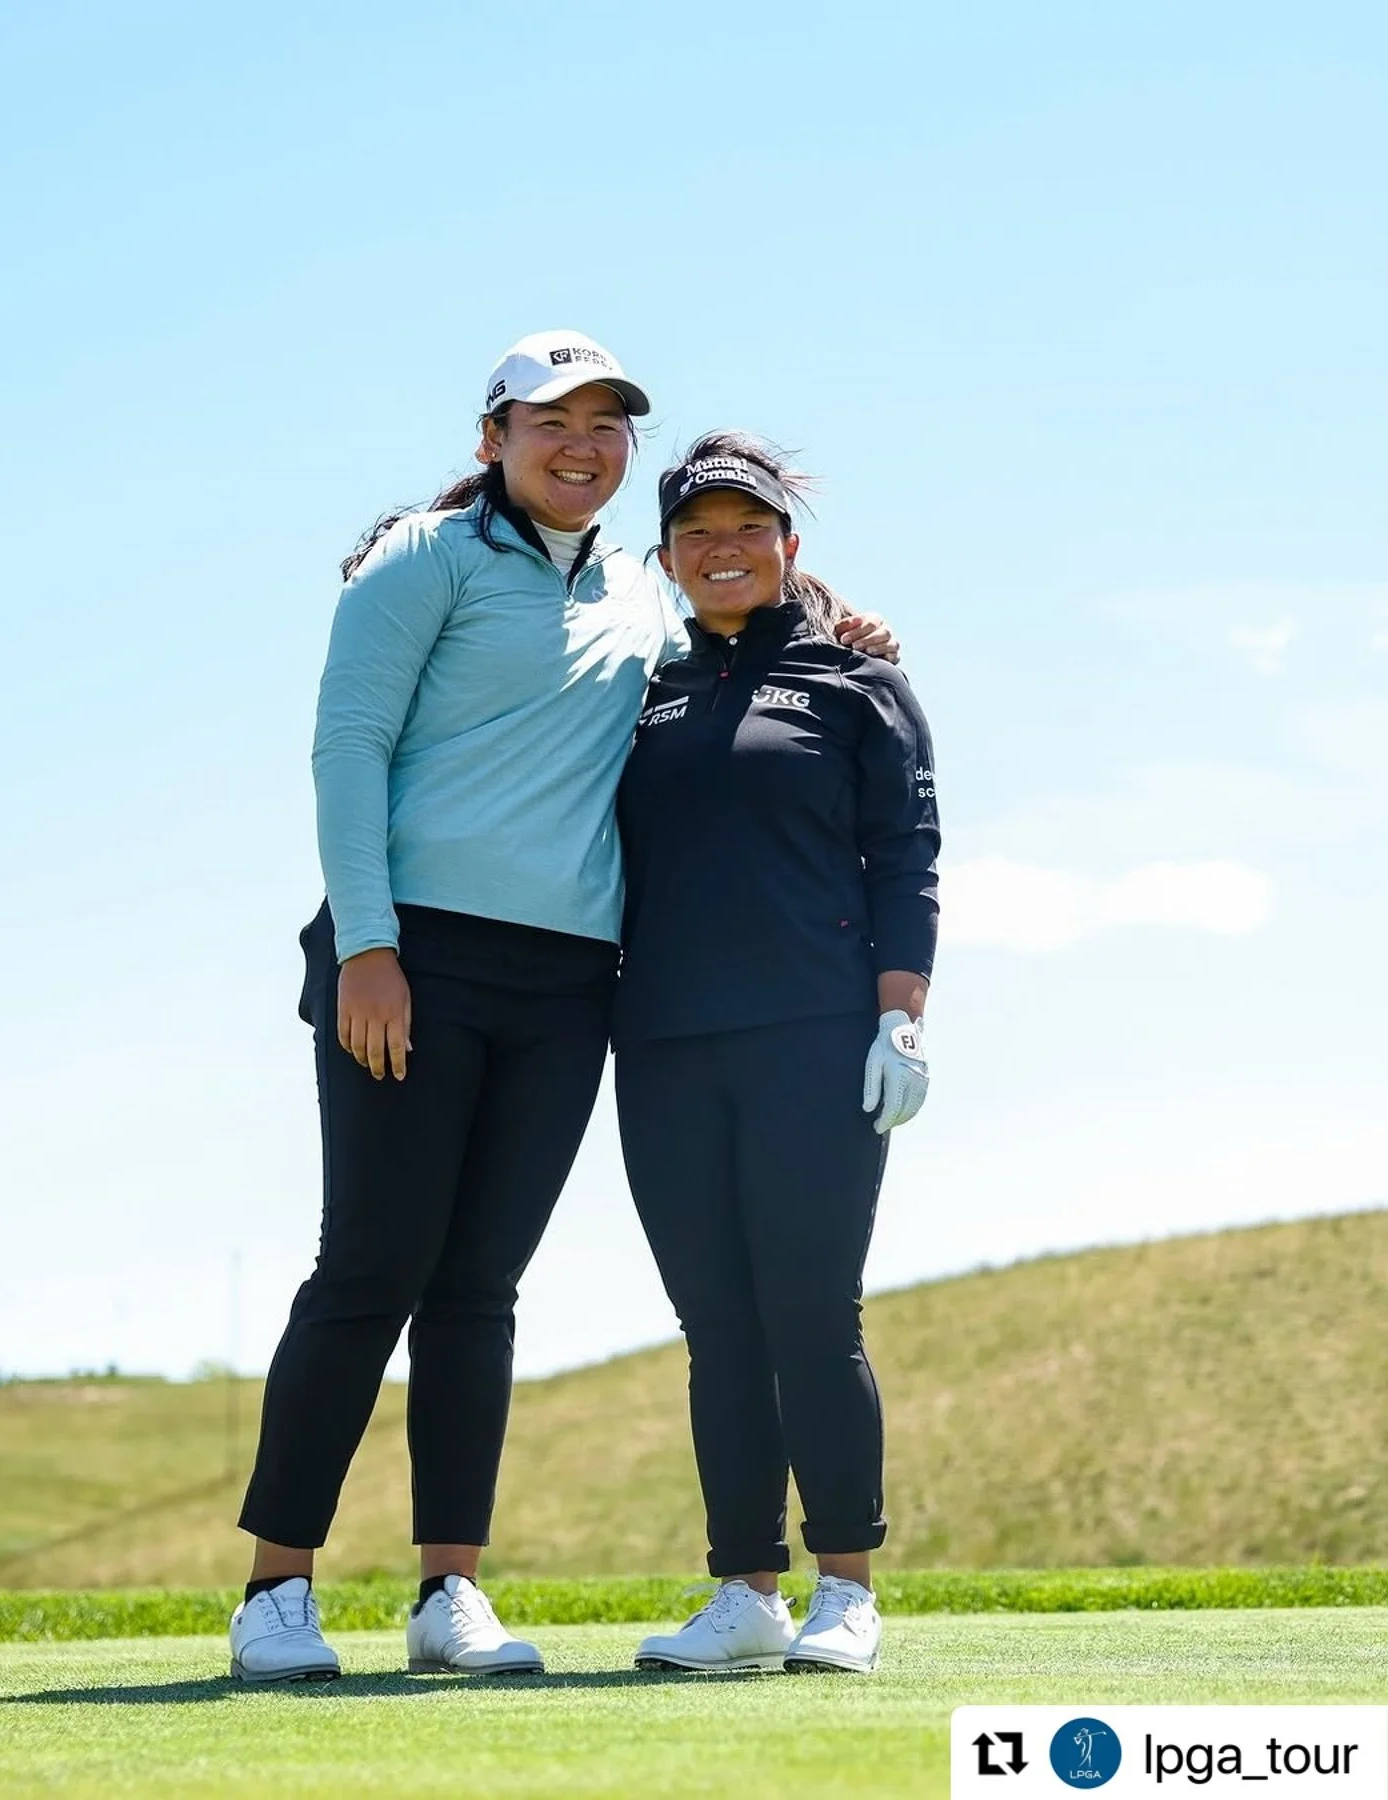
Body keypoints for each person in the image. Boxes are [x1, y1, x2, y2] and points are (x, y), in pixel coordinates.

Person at [227, 336, 900, 1684]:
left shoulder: (639, 591)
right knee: (372, 1267)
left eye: (608, 424)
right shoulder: (422, 559)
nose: (584, 444)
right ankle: (276, 1592)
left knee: (481, 1288)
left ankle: (447, 1593)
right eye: (553, 423)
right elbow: (346, 747)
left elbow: (733, 609)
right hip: (410, 958)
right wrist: (368, 944)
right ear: (494, 439)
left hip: (568, 981)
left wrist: (835, 618)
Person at [613, 434, 940, 1676]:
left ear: (787, 547)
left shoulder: (859, 681)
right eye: (699, 537)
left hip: (815, 1038)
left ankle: (844, 1588)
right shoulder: (642, 685)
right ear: (670, 561)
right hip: (664, 1043)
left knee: (812, 1312)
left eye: (747, 530)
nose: (724, 550)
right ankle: (744, 1589)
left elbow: (906, 855)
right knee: (717, 1325)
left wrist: (901, 1015)